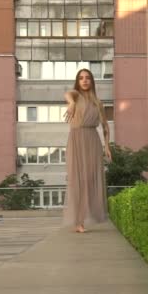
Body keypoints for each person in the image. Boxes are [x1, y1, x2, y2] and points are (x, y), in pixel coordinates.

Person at [62, 68, 112, 233]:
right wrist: (71, 103)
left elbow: (105, 127)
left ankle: (91, 215)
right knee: (78, 180)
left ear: (92, 81)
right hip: (76, 139)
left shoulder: (98, 103)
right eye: (81, 78)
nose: (84, 81)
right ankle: (79, 221)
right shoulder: (75, 96)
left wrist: (107, 146)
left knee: (91, 179)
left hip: (92, 140)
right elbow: (68, 94)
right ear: (78, 81)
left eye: (88, 78)